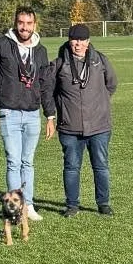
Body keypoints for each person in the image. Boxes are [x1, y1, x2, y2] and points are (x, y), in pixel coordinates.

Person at [0, 5, 53, 219]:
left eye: (29, 23)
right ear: (15, 23)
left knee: (28, 161)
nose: (24, 27)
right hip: (8, 112)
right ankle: (14, 208)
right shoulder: (1, 45)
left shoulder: (40, 50)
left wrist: (50, 115)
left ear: (34, 25)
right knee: (13, 161)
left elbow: (45, 83)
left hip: (32, 113)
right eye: (21, 23)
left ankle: (28, 205)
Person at [49, 22, 118, 216]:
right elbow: (49, 90)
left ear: (88, 41)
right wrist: (60, 110)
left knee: (101, 166)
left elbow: (111, 84)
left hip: (99, 126)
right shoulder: (59, 63)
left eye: (81, 40)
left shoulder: (100, 61)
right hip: (70, 127)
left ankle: (103, 203)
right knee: (71, 167)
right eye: (74, 39)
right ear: (69, 41)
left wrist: (99, 103)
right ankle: (72, 205)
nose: (77, 44)